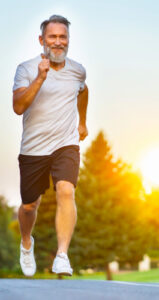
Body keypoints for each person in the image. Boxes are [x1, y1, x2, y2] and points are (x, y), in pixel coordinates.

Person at [12, 15, 88, 276]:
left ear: (68, 40)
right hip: (34, 148)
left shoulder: (77, 70)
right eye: (53, 37)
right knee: (29, 206)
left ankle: (62, 256)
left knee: (66, 190)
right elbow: (18, 107)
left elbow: (83, 90)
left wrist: (82, 123)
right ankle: (26, 242)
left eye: (63, 37)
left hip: (65, 144)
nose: (58, 42)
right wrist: (40, 78)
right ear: (42, 40)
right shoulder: (26, 69)